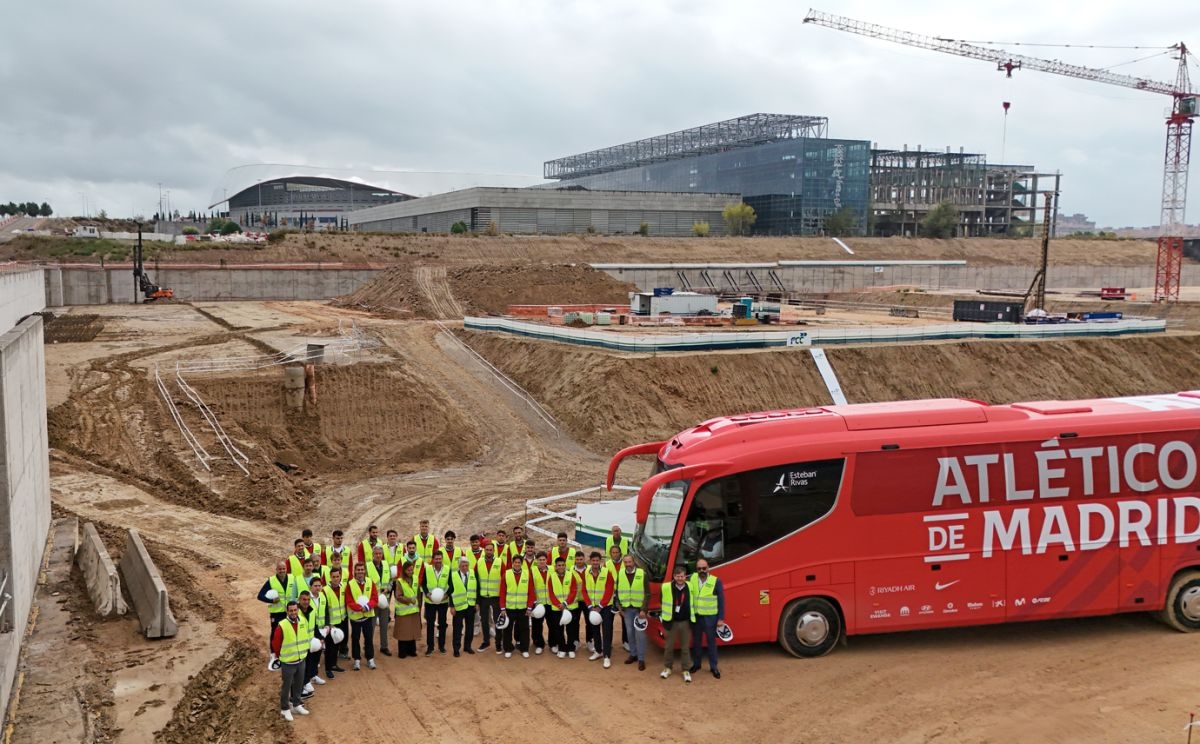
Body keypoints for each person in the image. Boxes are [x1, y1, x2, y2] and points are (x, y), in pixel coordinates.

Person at [272, 600, 311, 722]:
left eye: (295, 610)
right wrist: (281, 657)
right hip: (288, 662)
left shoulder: (303, 621)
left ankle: (296, 705)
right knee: (287, 686)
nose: (293, 612)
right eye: (291, 611)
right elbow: (276, 644)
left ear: (297, 610)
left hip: (301, 660)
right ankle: (285, 709)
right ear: (287, 611)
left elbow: (306, 636)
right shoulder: (282, 625)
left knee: (299, 683)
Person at [688, 558, 727, 679]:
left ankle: (714, 667)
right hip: (696, 618)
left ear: (708, 568)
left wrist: (721, 618)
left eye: (704, 568)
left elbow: (721, 601)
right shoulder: (692, 578)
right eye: (699, 568)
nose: (702, 570)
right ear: (696, 569)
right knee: (696, 643)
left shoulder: (716, 581)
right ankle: (697, 664)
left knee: (711, 643)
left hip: (711, 619)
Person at [661, 564, 694, 683]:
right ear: (674, 577)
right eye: (677, 576)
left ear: (685, 577)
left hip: (685, 622)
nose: (680, 578)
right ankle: (667, 668)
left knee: (685, 648)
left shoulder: (690, 587)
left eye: (682, 576)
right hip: (671, 622)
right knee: (669, 647)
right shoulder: (666, 587)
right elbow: (662, 600)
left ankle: (686, 670)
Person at [617, 554, 650, 670]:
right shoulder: (620, 574)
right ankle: (633, 654)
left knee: (640, 635)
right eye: (625, 562)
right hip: (626, 609)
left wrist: (644, 609)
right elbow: (617, 592)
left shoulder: (642, 574)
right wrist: (619, 607)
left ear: (633, 562)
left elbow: (647, 593)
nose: (628, 564)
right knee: (630, 633)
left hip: (639, 610)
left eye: (629, 562)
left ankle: (641, 659)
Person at [583, 551, 616, 668]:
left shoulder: (607, 573)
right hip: (592, 607)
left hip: (605, 607)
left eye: (597, 560)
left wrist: (600, 606)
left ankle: (607, 656)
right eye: (593, 560)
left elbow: (609, 590)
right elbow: (584, 591)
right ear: (590, 561)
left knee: (607, 631)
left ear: (600, 561)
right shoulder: (586, 572)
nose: (595, 563)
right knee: (594, 629)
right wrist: (590, 606)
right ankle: (598, 651)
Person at [258, 560, 299, 651]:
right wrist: (271, 600)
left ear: (286, 569)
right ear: (276, 570)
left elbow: (298, 593)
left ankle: (287, 650)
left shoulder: (293, 578)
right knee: (275, 633)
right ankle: (273, 653)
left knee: (289, 632)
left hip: (290, 613)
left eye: (284, 568)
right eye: (280, 569)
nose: (282, 571)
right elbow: (260, 596)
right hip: (277, 613)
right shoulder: (271, 581)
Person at [345, 562, 378, 671]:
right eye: (358, 570)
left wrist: (367, 607)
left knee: (369, 638)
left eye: (362, 569)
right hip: (355, 618)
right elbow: (349, 600)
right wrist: (360, 608)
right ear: (355, 571)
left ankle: (370, 658)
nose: (360, 572)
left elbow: (374, 598)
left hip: (368, 617)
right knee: (355, 638)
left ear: (365, 571)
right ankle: (357, 660)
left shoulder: (370, 582)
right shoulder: (350, 584)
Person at [498, 557, 533, 658]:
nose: (517, 564)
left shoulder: (527, 574)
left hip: (523, 608)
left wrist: (529, 607)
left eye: (519, 562)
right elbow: (502, 592)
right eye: (515, 562)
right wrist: (503, 608)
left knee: (524, 628)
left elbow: (531, 592)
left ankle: (524, 648)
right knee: (507, 629)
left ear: (521, 563)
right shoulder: (507, 574)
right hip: (509, 608)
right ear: (512, 563)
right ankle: (508, 648)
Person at [547, 555, 579, 658]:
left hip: (570, 607)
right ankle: (562, 648)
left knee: (571, 629)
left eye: (563, 565)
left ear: (565, 566)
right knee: (558, 629)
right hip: (556, 608)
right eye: (559, 565)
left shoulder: (571, 575)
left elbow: (573, 591)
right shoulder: (551, 577)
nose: (561, 567)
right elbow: (551, 593)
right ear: (555, 566)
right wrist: (558, 604)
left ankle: (571, 648)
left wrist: (565, 603)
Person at [420, 551, 450, 655]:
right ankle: (430, 647)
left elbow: (451, 584)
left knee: (442, 624)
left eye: (440, 559)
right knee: (430, 625)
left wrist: (447, 595)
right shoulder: (427, 569)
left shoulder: (447, 569)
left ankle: (441, 646)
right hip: (430, 602)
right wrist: (427, 593)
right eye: (436, 559)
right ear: (433, 559)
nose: (438, 561)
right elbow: (423, 583)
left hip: (443, 602)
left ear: (442, 559)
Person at [475, 541, 504, 652]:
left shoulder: (500, 562)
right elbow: (476, 581)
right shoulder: (479, 562)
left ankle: (498, 643)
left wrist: (502, 599)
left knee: (497, 621)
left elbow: (504, 580)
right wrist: (477, 600)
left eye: (490, 550)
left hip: (496, 598)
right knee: (484, 621)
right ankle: (486, 642)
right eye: (487, 550)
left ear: (494, 551)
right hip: (483, 598)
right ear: (484, 550)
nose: (489, 551)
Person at [364, 545, 393, 656]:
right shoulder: (368, 566)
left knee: (384, 624)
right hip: (372, 601)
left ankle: (384, 646)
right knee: (370, 625)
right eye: (376, 554)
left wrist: (389, 588)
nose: (378, 555)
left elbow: (391, 580)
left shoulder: (386, 565)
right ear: (373, 555)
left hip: (384, 600)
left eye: (380, 554)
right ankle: (367, 646)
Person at [322, 567, 348, 677]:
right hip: (332, 623)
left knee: (337, 644)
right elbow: (324, 609)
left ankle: (334, 665)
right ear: (330, 577)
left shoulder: (344, 587)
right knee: (330, 647)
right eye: (334, 577)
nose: (336, 579)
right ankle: (328, 668)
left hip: (342, 620)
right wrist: (328, 624)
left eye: (338, 576)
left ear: (340, 576)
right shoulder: (325, 590)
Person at [449, 555, 478, 657]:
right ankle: (456, 648)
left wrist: (477, 603)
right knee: (457, 628)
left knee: (470, 628)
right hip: (458, 607)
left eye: (466, 565)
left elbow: (476, 589)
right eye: (463, 565)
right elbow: (450, 591)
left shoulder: (473, 574)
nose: (465, 567)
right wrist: (451, 606)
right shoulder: (453, 575)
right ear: (459, 566)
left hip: (470, 606)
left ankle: (467, 646)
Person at [391, 561, 420, 659]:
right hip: (403, 612)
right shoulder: (399, 581)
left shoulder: (415, 579)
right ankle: (402, 652)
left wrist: (417, 604)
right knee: (403, 633)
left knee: (412, 632)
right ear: (404, 570)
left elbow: (418, 593)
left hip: (414, 610)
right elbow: (398, 596)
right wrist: (409, 600)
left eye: (412, 569)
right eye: (408, 570)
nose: (411, 572)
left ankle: (412, 651)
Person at [303, 578, 328, 688]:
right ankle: (306, 680)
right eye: (315, 586)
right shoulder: (306, 599)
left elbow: (326, 611)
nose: (318, 588)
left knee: (317, 654)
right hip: (308, 634)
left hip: (320, 630)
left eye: (319, 586)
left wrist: (326, 626)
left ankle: (314, 675)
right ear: (310, 586)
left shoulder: (322, 596)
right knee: (309, 657)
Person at [296, 589, 320, 699]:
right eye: (304, 599)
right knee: (299, 668)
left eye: (308, 600)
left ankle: (306, 682)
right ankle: (298, 691)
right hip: (298, 646)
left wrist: (320, 638)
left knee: (309, 664)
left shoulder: (312, 611)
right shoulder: (295, 612)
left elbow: (314, 627)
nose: (306, 602)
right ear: (299, 600)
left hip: (310, 644)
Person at [528, 551, 551, 655]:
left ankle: (553, 643)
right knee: (537, 625)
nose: (542, 561)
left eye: (544, 559)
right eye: (540, 560)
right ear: (536, 561)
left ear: (547, 560)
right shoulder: (532, 571)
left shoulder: (552, 570)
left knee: (552, 624)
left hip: (550, 603)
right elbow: (531, 587)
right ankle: (539, 644)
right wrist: (535, 602)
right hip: (537, 603)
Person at [606, 545, 628, 651]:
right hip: (611, 596)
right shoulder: (607, 564)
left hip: (623, 596)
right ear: (610, 554)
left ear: (620, 553)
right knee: (608, 621)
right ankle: (608, 643)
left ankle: (626, 641)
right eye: (613, 552)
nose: (615, 554)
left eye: (617, 552)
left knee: (625, 619)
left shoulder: (626, 563)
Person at [572, 551, 591, 653]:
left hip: (587, 600)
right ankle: (576, 641)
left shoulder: (590, 570)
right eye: (577, 559)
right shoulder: (570, 570)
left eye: (581, 559)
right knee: (575, 622)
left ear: (584, 559)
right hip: (575, 601)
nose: (579, 561)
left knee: (589, 622)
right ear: (575, 560)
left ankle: (589, 641)